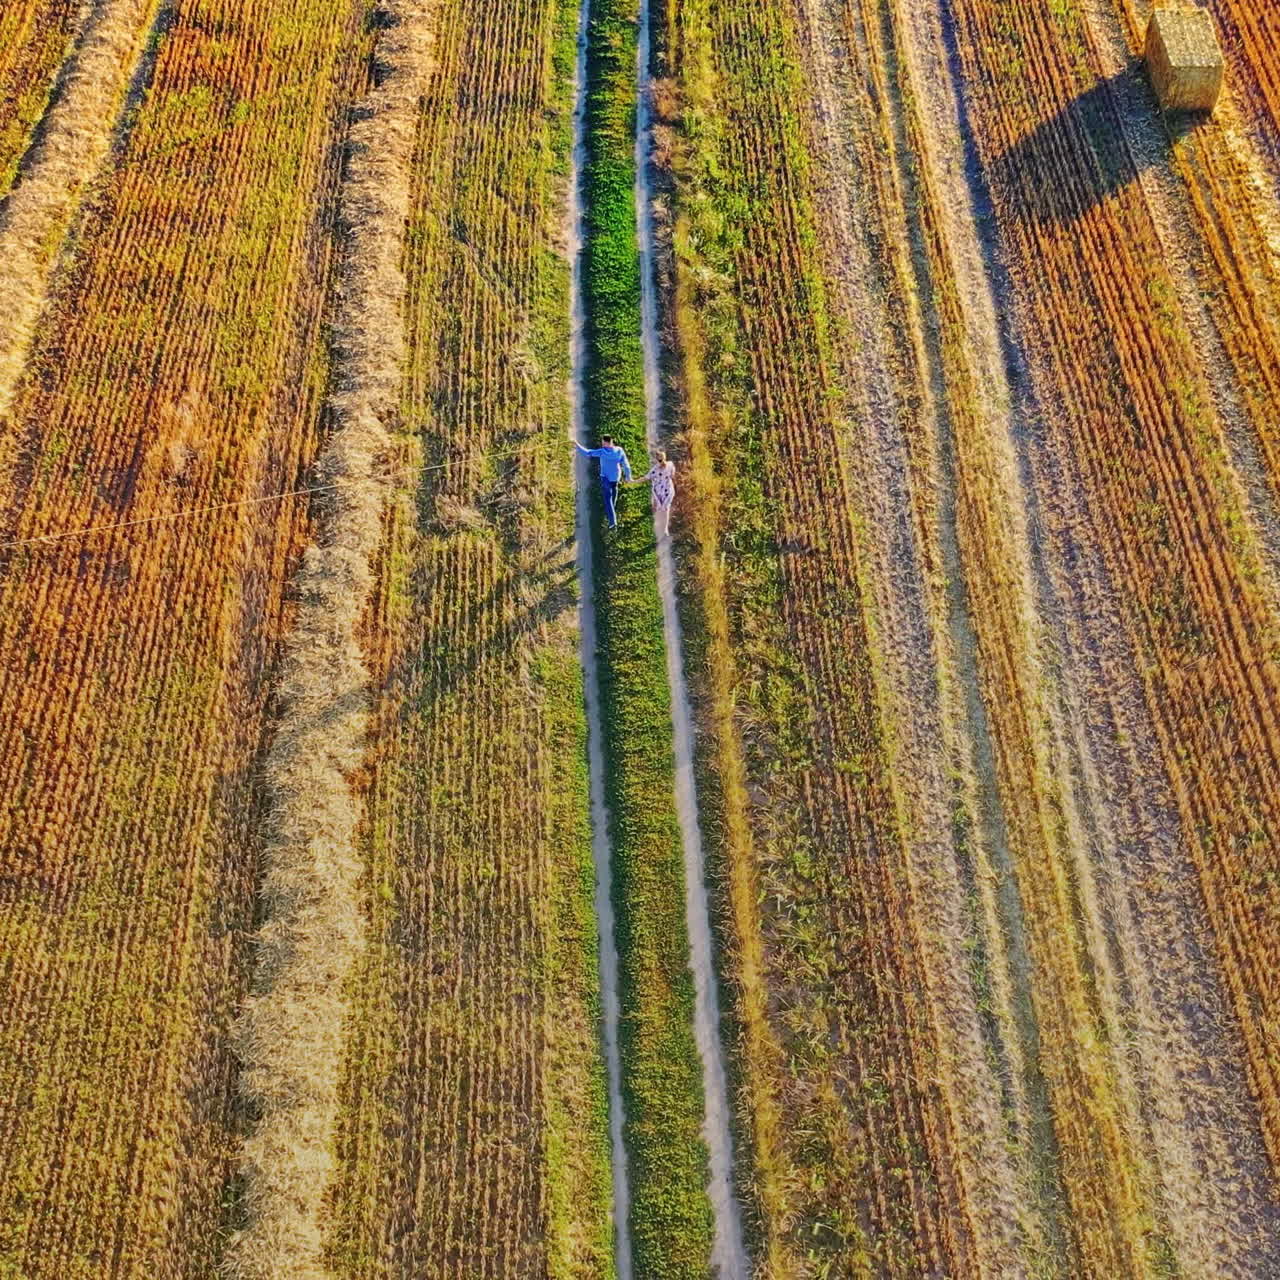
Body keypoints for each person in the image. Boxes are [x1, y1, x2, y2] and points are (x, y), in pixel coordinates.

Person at [574, 434, 633, 529]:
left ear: (606, 443)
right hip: (615, 478)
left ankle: (612, 521)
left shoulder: (602, 452)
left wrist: (577, 445)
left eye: (603, 443)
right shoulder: (619, 450)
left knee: (607, 499)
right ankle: (610, 515)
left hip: (605, 478)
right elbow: (626, 464)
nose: (602, 444)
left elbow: (588, 453)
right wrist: (628, 476)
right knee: (612, 497)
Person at [633, 448, 676, 538]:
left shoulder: (662, 467)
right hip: (663, 491)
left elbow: (645, 478)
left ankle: (662, 525)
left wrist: (633, 481)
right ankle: (663, 525)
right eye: (661, 459)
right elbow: (672, 474)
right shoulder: (663, 467)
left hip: (663, 491)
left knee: (661, 506)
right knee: (661, 508)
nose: (661, 461)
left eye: (661, 459)